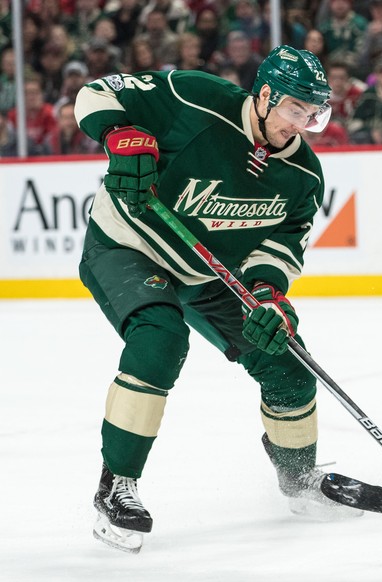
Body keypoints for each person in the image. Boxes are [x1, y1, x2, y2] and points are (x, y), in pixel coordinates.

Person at [74, 44, 362, 554]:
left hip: (210, 272)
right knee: (160, 338)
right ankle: (115, 488)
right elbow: (96, 94)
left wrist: (269, 295)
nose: (305, 122)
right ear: (267, 94)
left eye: (315, 112)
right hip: (128, 243)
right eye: (298, 108)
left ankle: (299, 481)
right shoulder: (196, 96)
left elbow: (280, 247)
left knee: (288, 363)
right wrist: (121, 133)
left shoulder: (303, 176)